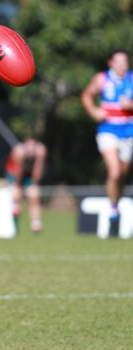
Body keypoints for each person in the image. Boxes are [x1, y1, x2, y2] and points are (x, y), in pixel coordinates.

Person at [81, 49, 133, 237]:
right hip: (108, 130)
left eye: (125, 62)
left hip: (129, 131)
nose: (121, 65)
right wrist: (94, 111)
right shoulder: (102, 79)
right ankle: (113, 211)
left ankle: (116, 205)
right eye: (118, 61)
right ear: (111, 63)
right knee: (115, 171)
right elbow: (86, 96)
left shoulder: (132, 79)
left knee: (122, 176)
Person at [5, 138, 47, 233]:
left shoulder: (41, 151)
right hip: (14, 173)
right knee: (15, 196)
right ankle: (14, 225)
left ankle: (36, 224)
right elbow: (18, 171)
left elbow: (37, 174)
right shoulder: (18, 151)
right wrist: (18, 186)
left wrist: (34, 184)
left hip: (29, 175)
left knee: (34, 194)